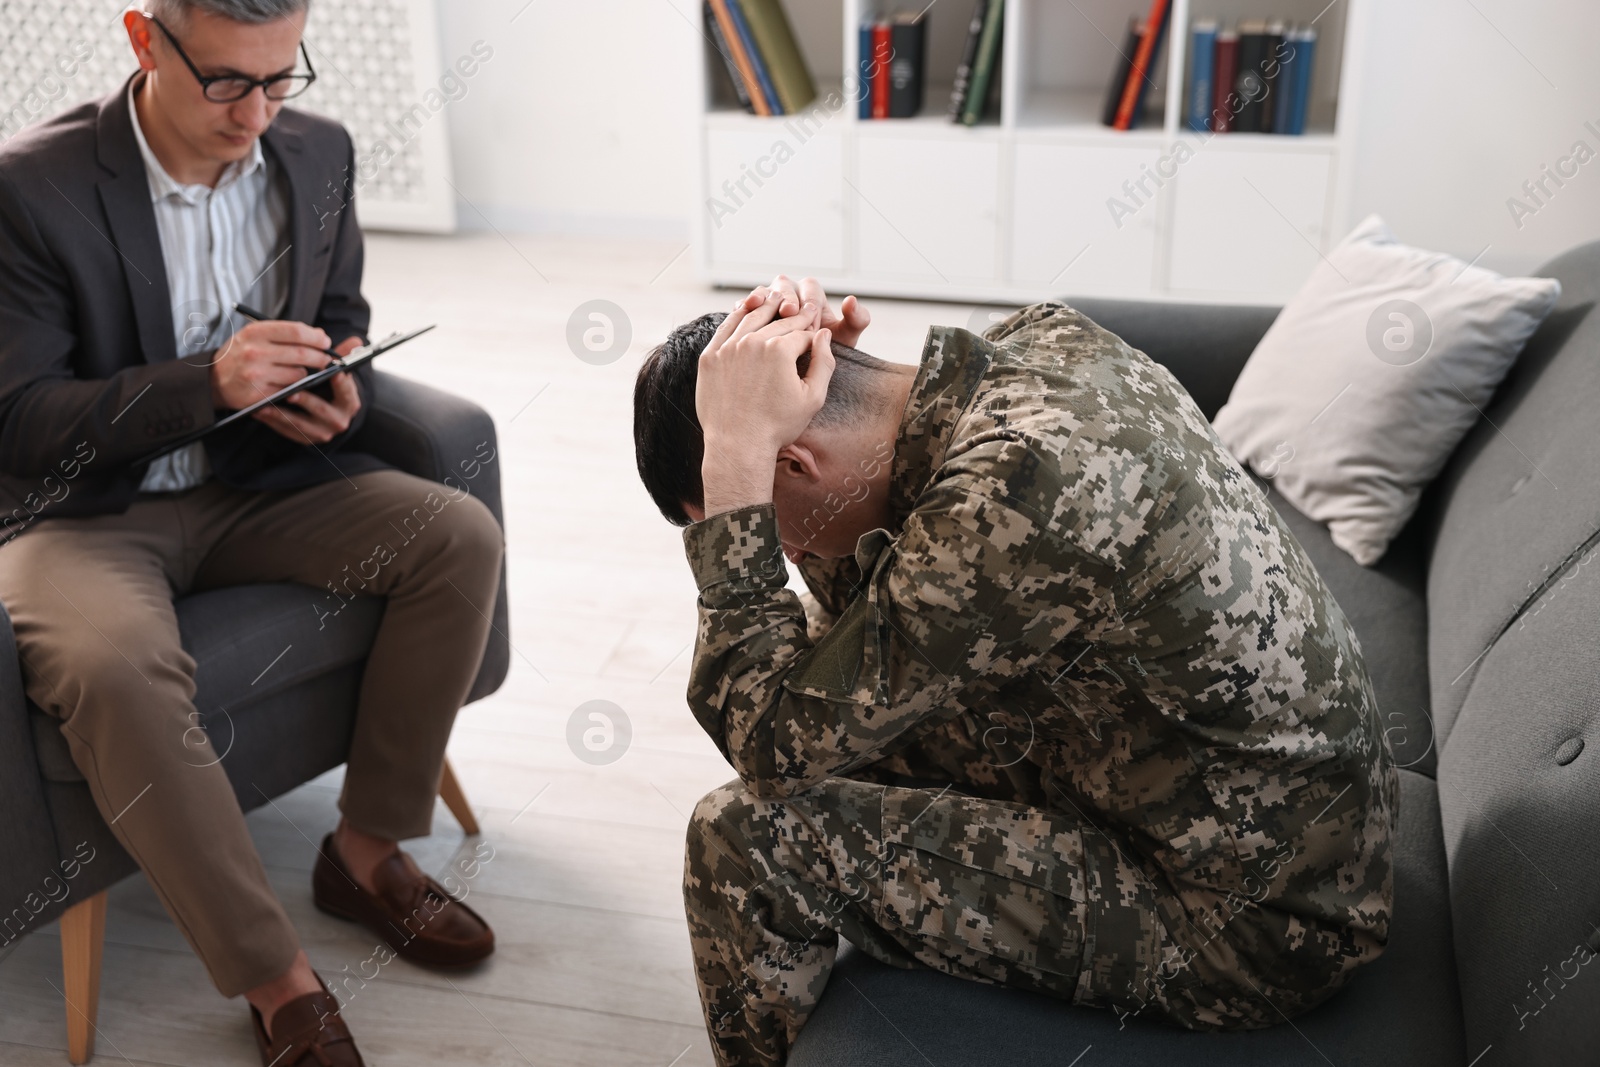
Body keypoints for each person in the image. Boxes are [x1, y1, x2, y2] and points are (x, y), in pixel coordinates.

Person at [632, 276, 1398, 1065]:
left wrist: (736, 477)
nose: (785, 554)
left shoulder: (1010, 497)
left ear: (792, 461)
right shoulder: (1042, 339)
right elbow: (857, 667)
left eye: (766, 521)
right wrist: (824, 412)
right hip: (1271, 828)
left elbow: (764, 736)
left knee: (743, 838)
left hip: (1253, 919)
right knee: (841, 744)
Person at [0, 3, 503, 1064]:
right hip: (88, 514)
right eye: (229, 81)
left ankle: (363, 853)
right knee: (109, 663)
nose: (258, 113)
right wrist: (206, 384)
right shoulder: (29, 189)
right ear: (146, 40)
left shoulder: (317, 152)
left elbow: (338, 305)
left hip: (255, 481)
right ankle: (277, 979)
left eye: (282, 79)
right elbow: (22, 419)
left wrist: (339, 385)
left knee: (453, 534)